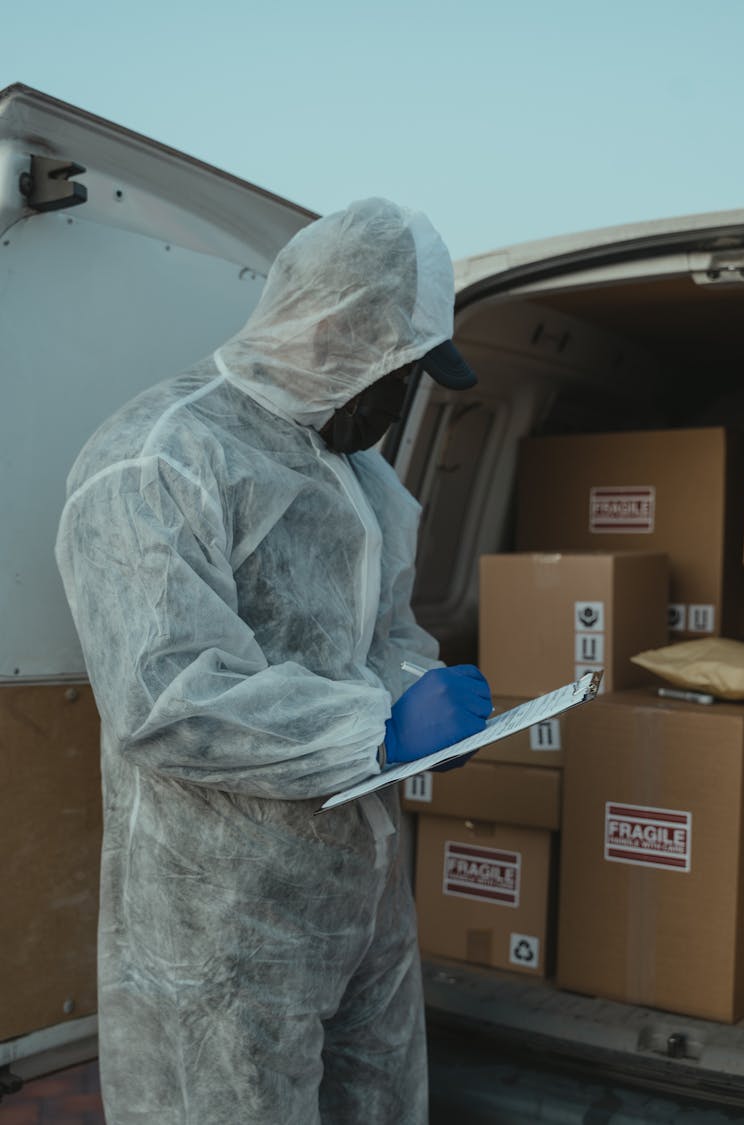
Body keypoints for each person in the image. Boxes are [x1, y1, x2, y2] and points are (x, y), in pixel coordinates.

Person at [55, 197, 492, 1125]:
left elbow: (384, 639)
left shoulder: (363, 476)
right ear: (338, 337)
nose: (399, 405)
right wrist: (378, 729)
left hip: (359, 889)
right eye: (399, 376)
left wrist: (420, 699)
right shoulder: (159, 457)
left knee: (377, 1100)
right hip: (220, 916)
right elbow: (168, 694)